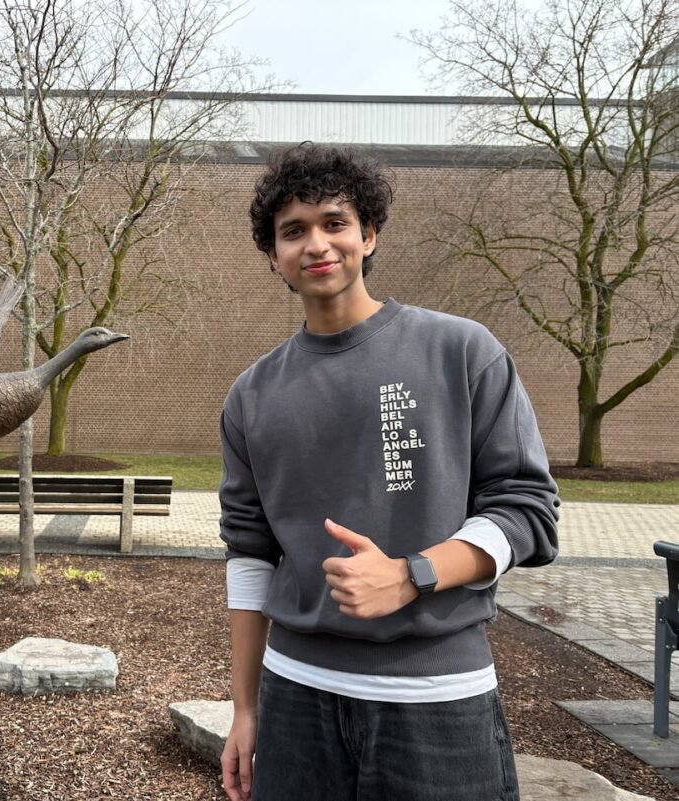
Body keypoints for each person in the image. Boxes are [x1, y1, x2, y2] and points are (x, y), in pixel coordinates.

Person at [218, 143, 560, 801]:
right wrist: (245, 707)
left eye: (334, 222)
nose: (316, 244)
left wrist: (412, 574)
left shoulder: (462, 351)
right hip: (296, 697)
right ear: (273, 255)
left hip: (438, 698)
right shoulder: (251, 395)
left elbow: (526, 512)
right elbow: (249, 556)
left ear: (368, 234)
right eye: (293, 231)